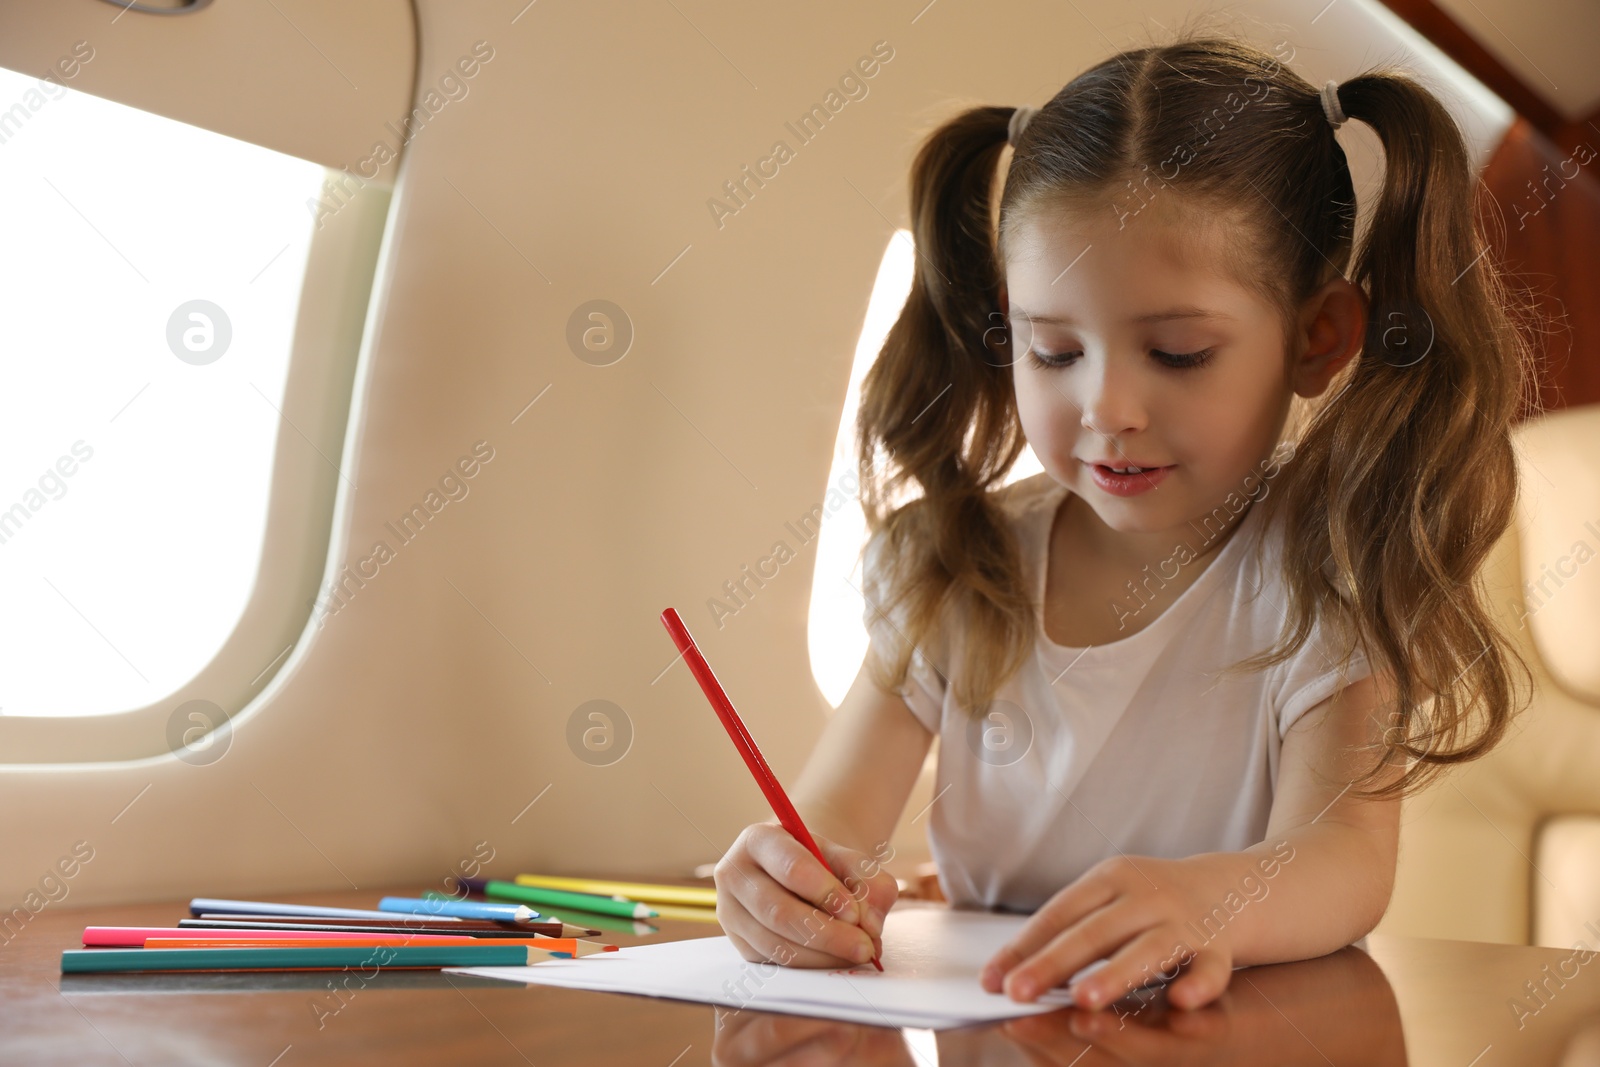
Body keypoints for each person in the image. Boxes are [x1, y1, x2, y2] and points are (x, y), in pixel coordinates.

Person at [712, 33, 1538, 1012]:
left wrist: (1209, 899)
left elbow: (1347, 855)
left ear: (1317, 338)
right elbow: (831, 821)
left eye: (1179, 352)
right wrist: (784, 885)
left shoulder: (1330, 572)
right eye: (1052, 351)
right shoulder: (952, 564)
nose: (1109, 408)